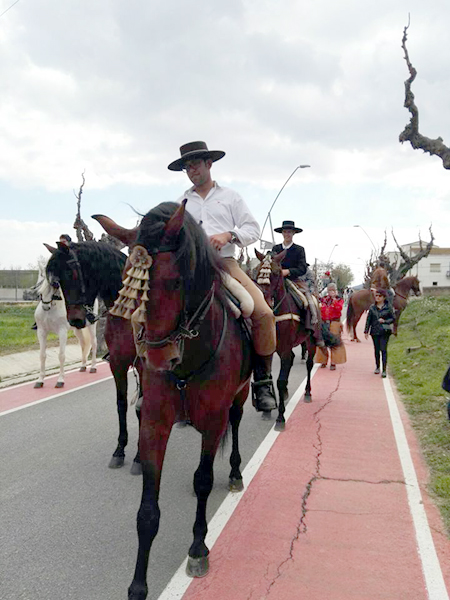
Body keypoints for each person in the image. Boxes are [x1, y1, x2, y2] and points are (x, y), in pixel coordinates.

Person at [168, 140, 277, 412]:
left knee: (262, 312)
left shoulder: (230, 197)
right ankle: (151, 382)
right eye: (187, 167)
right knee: (146, 313)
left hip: (224, 263)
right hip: (188, 268)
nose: (192, 170)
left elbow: (252, 229)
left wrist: (229, 235)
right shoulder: (180, 202)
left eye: (195, 164)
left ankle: (262, 380)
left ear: (209, 164)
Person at [272, 221, 324, 346]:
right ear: (282, 233)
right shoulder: (275, 249)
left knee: (309, 301)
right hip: (277, 280)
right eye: (285, 232)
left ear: (293, 233)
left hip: (294, 280)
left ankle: (315, 331)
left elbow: (302, 268)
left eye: (289, 232)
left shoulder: (299, 249)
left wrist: (288, 271)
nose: (287, 234)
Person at [364, 288, 395, 378]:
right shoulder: (372, 307)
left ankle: (384, 369)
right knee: (376, 350)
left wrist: (385, 321)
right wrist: (366, 331)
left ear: (384, 297)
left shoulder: (388, 307)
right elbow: (368, 320)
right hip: (374, 331)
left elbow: (393, 318)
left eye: (379, 296)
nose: (377, 297)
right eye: (376, 296)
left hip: (385, 331)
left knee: (383, 350)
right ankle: (377, 367)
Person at [315, 283, 346, 370]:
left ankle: (333, 362)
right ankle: (323, 360)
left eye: (333, 290)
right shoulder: (324, 300)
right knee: (321, 342)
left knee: (334, 341)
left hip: (334, 321)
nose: (331, 292)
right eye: (330, 290)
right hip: (324, 322)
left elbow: (339, 308)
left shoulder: (339, 300)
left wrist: (334, 300)